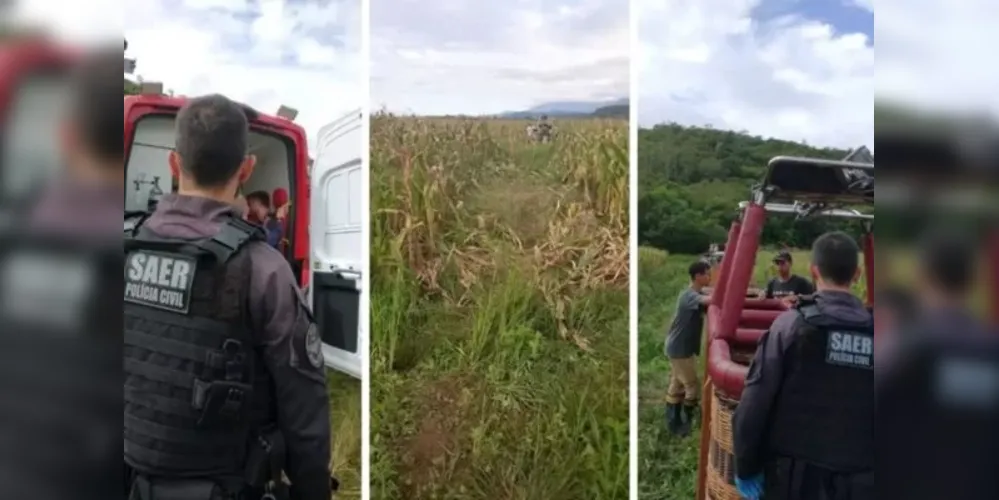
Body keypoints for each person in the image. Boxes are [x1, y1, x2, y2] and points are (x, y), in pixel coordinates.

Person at [124, 94, 333, 500]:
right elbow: (305, 410)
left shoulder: (120, 252)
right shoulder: (264, 270)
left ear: (173, 163)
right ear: (246, 168)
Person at [733, 232, 873, 500]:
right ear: (857, 274)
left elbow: (755, 402)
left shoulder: (791, 326)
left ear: (813, 271)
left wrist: (746, 466)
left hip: (796, 481)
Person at [664, 260, 713, 436]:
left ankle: (673, 421)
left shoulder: (695, 293)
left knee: (676, 383)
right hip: (679, 349)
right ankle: (687, 422)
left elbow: (708, 295)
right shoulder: (689, 296)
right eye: (707, 273)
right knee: (692, 385)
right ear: (698, 276)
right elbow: (711, 299)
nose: (710, 276)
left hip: (680, 347)